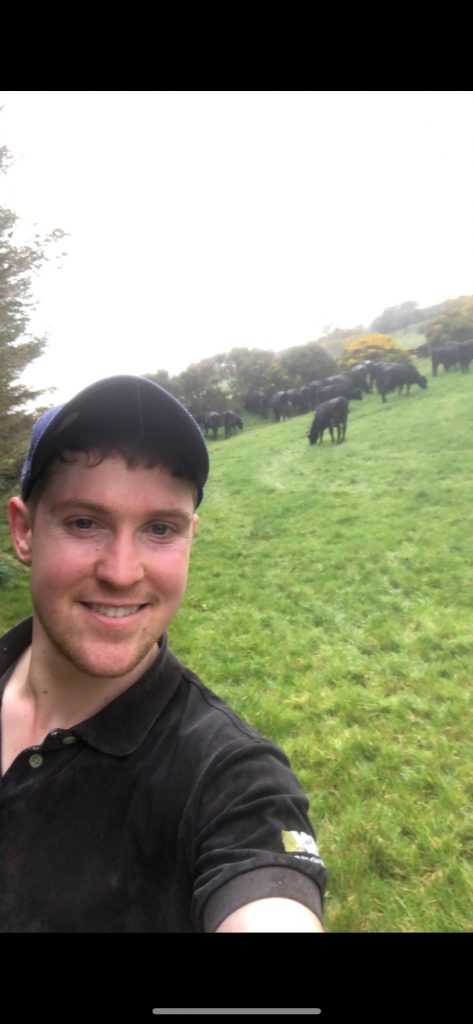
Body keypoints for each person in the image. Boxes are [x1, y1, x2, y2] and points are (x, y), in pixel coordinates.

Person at [0, 374, 326, 933]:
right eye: (85, 522)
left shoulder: (228, 776)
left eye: (160, 528)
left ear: (191, 537)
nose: (122, 572)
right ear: (24, 531)